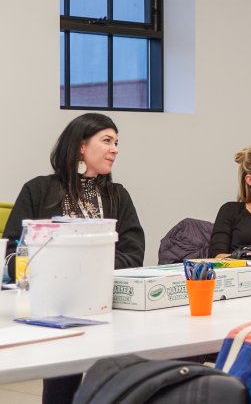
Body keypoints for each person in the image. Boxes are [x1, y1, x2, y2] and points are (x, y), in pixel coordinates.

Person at [2, 112, 145, 404]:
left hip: (106, 304)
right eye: (107, 140)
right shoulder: (38, 189)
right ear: (81, 145)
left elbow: (134, 252)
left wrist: (87, 272)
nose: (115, 149)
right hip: (51, 305)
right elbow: (13, 252)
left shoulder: (118, 195)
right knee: (61, 383)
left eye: (116, 142)